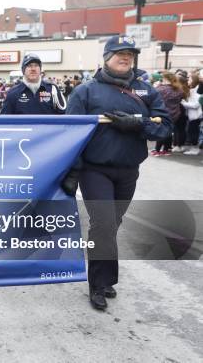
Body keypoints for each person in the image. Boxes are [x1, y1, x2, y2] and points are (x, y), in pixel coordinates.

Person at [65, 36, 171, 311]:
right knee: (103, 224)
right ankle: (98, 284)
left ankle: (106, 278)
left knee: (113, 224)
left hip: (128, 170)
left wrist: (138, 125)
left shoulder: (147, 91)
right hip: (94, 169)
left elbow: (165, 127)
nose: (126, 58)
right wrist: (71, 171)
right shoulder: (85, 92)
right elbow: (69, 134)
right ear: (106, 57)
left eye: (130, 54)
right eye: (120, 53)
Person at [1, 53, 66, 115]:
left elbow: (64, 116)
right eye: (29, 66)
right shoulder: (12, 93)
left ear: (40, 70)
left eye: (36, 65)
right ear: (23, 70)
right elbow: (4, 122)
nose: (33, 69)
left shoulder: (52, 90)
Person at [151, 72, 186, 156]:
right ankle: (166, 149)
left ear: (166, 79)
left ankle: (157, 150)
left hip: (163, 112)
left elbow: (152, 96)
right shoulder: (179, 89)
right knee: (169, 131)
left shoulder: (161, 89)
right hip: (175, 113)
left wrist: (158, 85)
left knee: (161, 130)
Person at [180, 71, 202, 155]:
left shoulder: (197, 90)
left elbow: (196, 105)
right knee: (191, 131)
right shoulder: (192, 89)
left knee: (194, 132)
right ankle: (194, 148)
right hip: (192, 115)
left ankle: (195, 149)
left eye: (190, 79)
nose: (188, 80)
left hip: (196, 115)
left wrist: (184, 104)